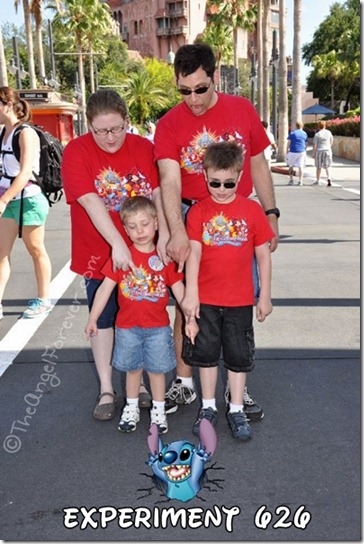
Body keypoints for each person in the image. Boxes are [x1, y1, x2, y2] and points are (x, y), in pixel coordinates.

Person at [153, 42, 279, 417]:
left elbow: (257, 164)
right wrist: (175, 231)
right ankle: (186, 382)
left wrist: (270, 212)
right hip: (192, 218)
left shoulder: (242, 110)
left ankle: (236, 391)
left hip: (240, 220)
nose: (192, 98)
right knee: (188, 303)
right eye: (184, 90)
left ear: (216, 78)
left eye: (200, 89)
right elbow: (169, 180)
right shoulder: (169, 124)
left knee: (239, 304)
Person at [62, 89, 168, 421]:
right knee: (105, 317)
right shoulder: (76, 151)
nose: (110, 138)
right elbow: (92, 202)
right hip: (98, 253)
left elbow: (157, 193)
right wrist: (117, 245)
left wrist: (163, 234)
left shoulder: (143, 148)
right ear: (89, 127)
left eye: (117, 128)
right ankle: (107, 388)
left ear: (127, 120)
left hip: (145, 251)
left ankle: (140, 386)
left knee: (140, 316)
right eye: (101, 131)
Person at [182, 141, 274, 441]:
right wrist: (191, 294)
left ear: (240, 175)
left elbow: (263, 255)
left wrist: (265, 295)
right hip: (206, 299)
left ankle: (235, 408)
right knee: (205, 356)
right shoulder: (197, 212)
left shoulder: (252, 210)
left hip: (240, 301)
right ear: (205, 175)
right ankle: (208, 407)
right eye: (215, 182)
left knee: (237, 357)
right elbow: (193, 254)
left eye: (229, 183)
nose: (221, 189)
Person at [85, 196, 198, 434]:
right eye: (133, 226)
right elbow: (105, 288)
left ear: (157, 223)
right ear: (124, 229)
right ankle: (132, 407)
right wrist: (93, 318)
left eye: (145, 224)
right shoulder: (122, 257)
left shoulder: (164, 258)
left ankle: (158, 410)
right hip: (127, 327)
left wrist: (190, 317)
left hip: (158, 328)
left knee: (157, 371)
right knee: (132, 369)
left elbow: (179, 291)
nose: (140, 231)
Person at [0, 87, 52, 320]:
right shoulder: (4, 132)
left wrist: (3, 199)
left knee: (36, 249)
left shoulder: (26, 133)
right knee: (1, 254)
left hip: (28, 199)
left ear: (7, 106)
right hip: (8, 199)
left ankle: (43, 299)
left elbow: (25, 173)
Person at [312, 120, 334, 186]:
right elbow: (331, 140)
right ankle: (329, 178)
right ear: (325, 125)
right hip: (327, 150)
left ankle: (318, 180)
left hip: (319, 151)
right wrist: (329, 147)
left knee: (318, 166)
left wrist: (313, 153)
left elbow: (315, 145)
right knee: (327, 166)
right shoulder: (329, 132)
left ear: (319, 126)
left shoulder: (317, 134)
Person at [286, 121, 308, 186]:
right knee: (301, 166)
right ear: (302, 126)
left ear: (296, 126)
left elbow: (289, 142)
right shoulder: (304, 133)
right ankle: (300, 181)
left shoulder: (292, 133)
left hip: (293, 151)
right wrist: (305, 149)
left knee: (291, 166)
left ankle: (291, 180)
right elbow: (306, 143)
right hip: (301, 151)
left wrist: (287, 150)